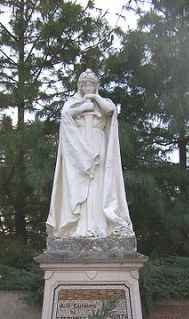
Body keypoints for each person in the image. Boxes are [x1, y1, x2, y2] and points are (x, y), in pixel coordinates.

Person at [46, 69, 133, 238]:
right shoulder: (72, 102)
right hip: (77, 148)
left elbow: (110, 111)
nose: (87, 87)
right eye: (84, 84)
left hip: (97, 143)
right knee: (79, 184)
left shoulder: (102, 102)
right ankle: (80, 227)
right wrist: (82, 108)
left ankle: (97, 225)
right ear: (80, 86)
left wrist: (94, 99)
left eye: (91, 84)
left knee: (98, 184)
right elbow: (65, 115)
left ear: (95, 86)